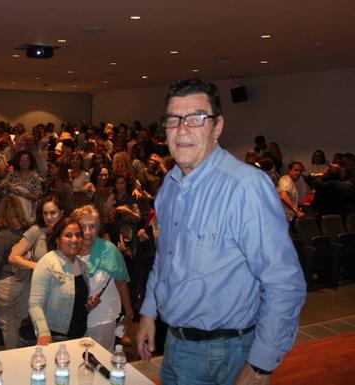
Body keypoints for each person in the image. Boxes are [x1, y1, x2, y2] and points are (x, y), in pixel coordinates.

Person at [136, 78, 306, 385]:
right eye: (173, 120)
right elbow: (165, 259)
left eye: (196, 118)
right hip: (174, 345)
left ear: (217, 127)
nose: (182, 129)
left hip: (225, 354)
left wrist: (259, 366)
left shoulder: (246, 187)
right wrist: (149, 311)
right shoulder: (170, 188)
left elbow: (285, 283)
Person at [70, 205, 133, 352]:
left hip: (102, 320)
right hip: (72, 321)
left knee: (101, 362)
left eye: (92, 226)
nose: (87, 232)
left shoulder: (109, 250)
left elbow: (121, 283)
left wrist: (129, 314)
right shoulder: (69, 249)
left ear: (98, 228)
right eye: (82, 226)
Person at [28, 218, 97, 345]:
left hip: (78, 335)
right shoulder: (47, 262)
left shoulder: (83, 265)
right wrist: (43, 333)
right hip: (53, 336)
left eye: (78, 235)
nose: (74, 240)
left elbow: (76, 299)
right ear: (57, 240)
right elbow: (35, 303)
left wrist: (89, 303)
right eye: (68, 235)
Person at [0, 196, 30, 349]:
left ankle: (13, 358)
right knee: (19, 321)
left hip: (5, 283)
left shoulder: (2, 235)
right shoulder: (28, 232)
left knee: (7, 325)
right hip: (25, 280)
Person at [1, 150, 42, 222]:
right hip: (12, 208)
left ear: (30, 162)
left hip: (29, 209)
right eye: (22, 159)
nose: (24, 162)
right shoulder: (12, 174)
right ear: (18, 161)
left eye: (27, 160)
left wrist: (22, 193)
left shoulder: (35, 177)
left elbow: (37, 197)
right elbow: (3, 189)